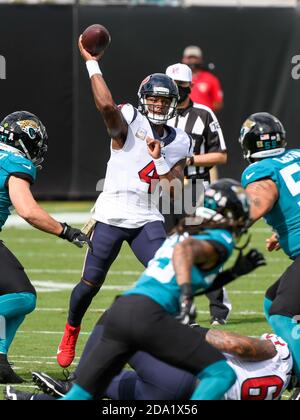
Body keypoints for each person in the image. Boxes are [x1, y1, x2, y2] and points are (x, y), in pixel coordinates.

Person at [49, 179, 263, 400]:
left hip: (120, 311)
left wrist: (233, 273)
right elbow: (185, 252)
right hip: (150, 316)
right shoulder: (218, 238)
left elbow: (179, 274)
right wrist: (187, 296)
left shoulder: (186, 230)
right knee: (221, 373)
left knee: (80, 396)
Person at [56, 36, 194, 369]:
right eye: (153, 100)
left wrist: (160, 161)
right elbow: (105, 107)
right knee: (90, 285)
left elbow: (175, 191)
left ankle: (170, 346)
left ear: (175, 103)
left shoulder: (181, 140)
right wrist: (92, 62)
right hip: (111, 212)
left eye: (164, 101)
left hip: (147, 216)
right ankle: (71, 329)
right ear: (143, 100)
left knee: (168, 280)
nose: (158, 106)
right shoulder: (130, 118)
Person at [0, 111, 91, 383]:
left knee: (14, 294)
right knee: (23, 296)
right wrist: (66, 231)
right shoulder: (15, 162)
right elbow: (28, 211)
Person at [13, 331, 291, 401]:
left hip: (184, 378)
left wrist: (193, 331)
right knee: (109, 386)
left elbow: (239, 346)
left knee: (120, 319)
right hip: (182, 398)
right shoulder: (282, 388)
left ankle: (75, 384)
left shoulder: (280, 351)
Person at [165, 62, 229, 325]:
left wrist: (188, 161)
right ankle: (179, 308)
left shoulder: (203, 114)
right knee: (168, 250)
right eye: (172, 86)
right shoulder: (157, 114)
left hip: (195, 188)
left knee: (204, 250)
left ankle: (219, 310)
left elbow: (221, 155)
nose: (175, 92)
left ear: (189, 87)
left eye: (180, 87)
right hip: (165, 190)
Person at [239, 112, 300, 385]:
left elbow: (259, 203)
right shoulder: (296, 155)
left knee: (281, 313)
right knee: (270, 300)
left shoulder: (260, 171)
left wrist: (224, 228)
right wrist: (283, 230)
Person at [182, 45, 224, 113]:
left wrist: (206, 114)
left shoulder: (211, 78)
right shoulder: (178, 77)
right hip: (182, 116)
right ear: (183, 59)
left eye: (195, 58)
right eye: (189, 58)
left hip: (203, 118)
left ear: (200, 59)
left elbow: (218, 103)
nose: (192, 61)